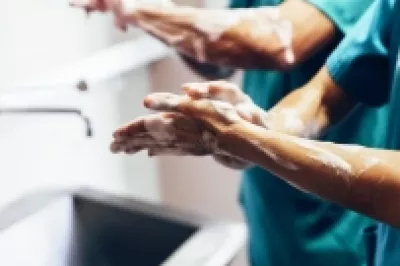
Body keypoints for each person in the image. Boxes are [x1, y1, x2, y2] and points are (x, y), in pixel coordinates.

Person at [70, 0, 385, 265]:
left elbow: (276, 40)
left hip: (336, 222)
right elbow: (318, 96)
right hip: (271, 208)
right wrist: (252, 133)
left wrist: (136, 8)